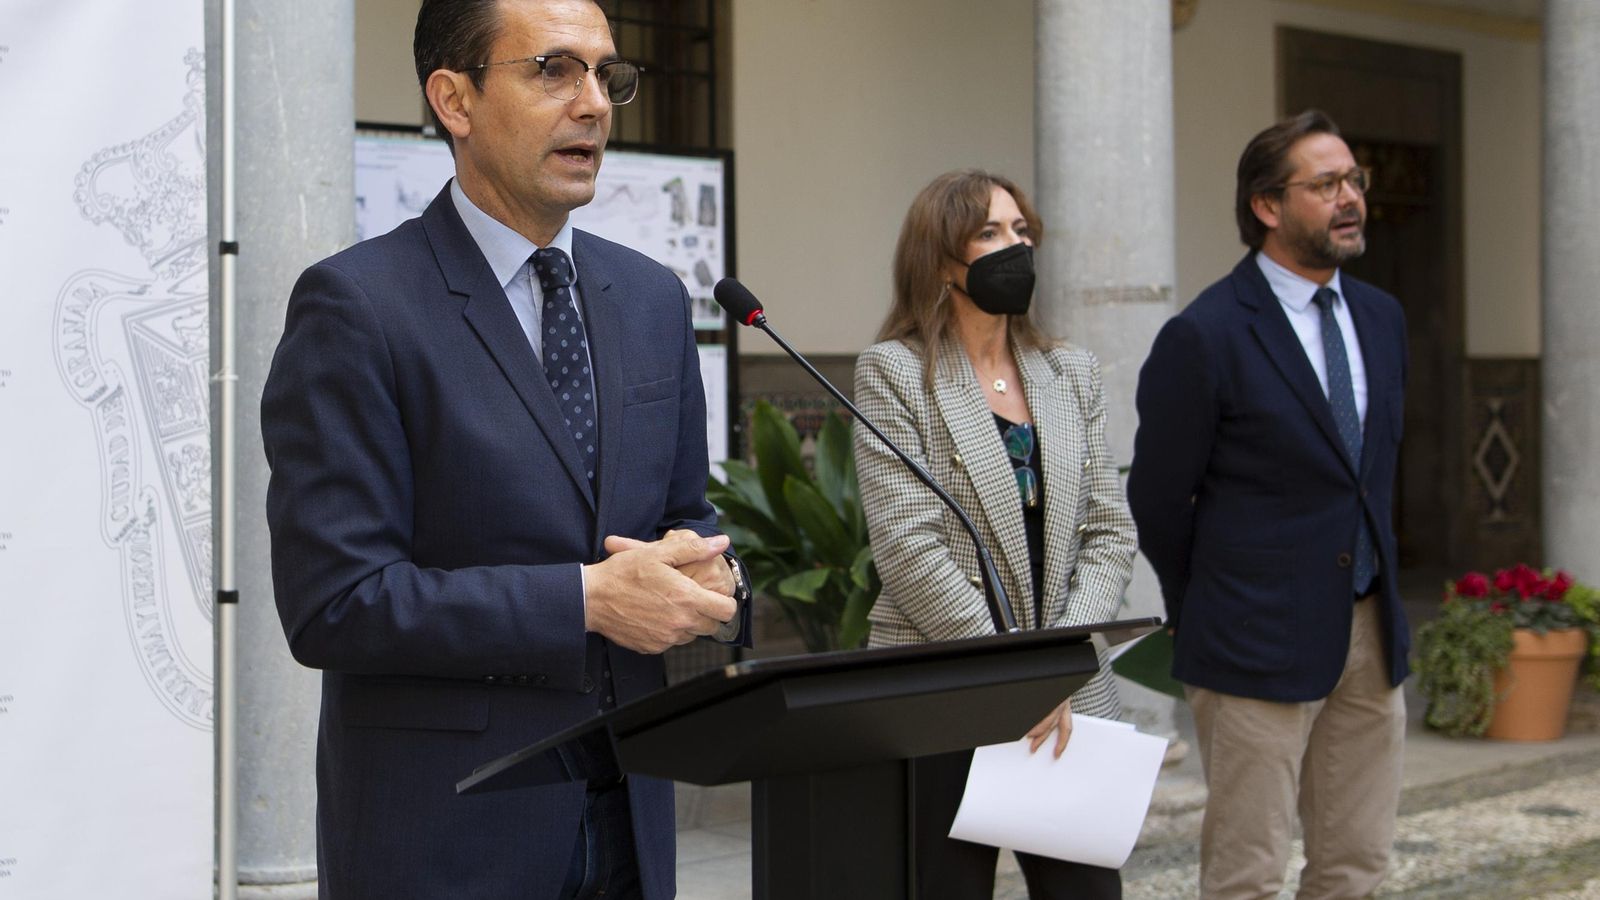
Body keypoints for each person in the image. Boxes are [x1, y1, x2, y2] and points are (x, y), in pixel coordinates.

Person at [259, 1, 750, 896]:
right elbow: (335, 602)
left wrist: (715, 576)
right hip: (447, 835)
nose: (594, 102)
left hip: (634, 820)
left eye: (607, 74)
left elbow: (686, 517)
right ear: (455, 99)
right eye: (553, 70)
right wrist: (584, 601)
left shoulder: (649, 299)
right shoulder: (358, 307)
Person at [1126, 109, 1409, 899]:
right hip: (1251, 633)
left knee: (1358, 863)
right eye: (1324, 185)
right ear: (1267, 206)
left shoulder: (1382, 319)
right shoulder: (1207, 333)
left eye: (1354, 180)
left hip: (1368, 629)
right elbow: (1156, 496)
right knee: (1248, 872)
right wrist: (1204, 602)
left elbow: (1370, 474)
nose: (1349, 198)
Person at [852, 169, 1137, 899]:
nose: (1016, 246)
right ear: (941, 260)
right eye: (990, 233)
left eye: (1021, 231)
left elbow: (1107, 531)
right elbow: (910, 549)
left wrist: (1060, 669)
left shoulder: (1069, 372)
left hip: (1067, 696)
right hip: (944, 688)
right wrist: (1017, 677)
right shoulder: (895, 373)